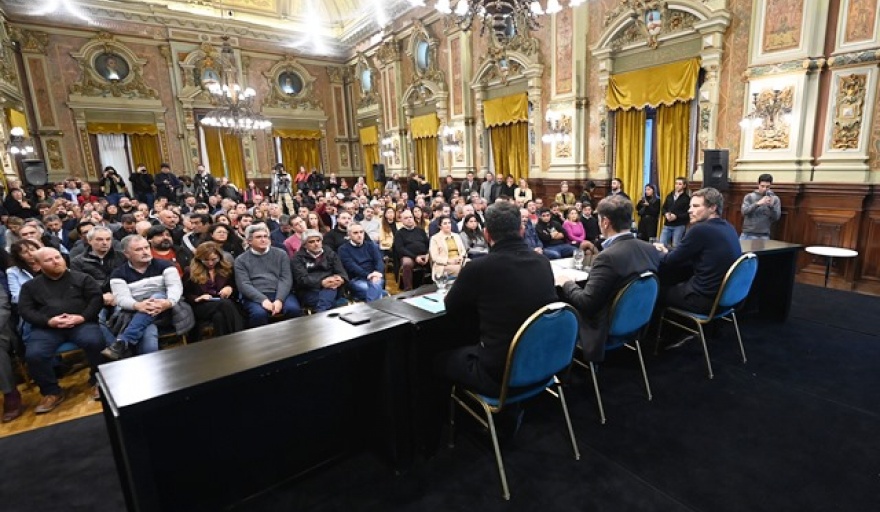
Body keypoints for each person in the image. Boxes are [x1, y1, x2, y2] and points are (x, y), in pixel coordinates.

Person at [436, 201, 557, 396]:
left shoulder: (478, 269)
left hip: (499, 372)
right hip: (543, 360)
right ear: (522, 229)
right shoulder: (542, 262)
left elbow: (450, 309)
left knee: (435, 358)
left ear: (486, 234)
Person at [555, 196, 660, 362]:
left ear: (605, 222)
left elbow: (586, 303)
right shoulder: (650, 249)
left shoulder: (607, 257)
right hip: (635, 321)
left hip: (602, 328)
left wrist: (566, 282)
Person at [18, 248, 105, 413]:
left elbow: (96, 299)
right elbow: (25, 310)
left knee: (96, 341)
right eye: (49, 260)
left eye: (57, 257)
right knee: (34, 355)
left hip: (81, 323)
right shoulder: (30, 286)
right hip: (48, 328)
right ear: (38, 265)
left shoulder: (82, 278)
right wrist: (49, 321)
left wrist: (82, 317)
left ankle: (99, 381)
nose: (56, 261)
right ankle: (51, 392)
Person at [654, 187, 741, 327]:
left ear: (713, 208)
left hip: (703, 300)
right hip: (726, 299)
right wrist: (669, 251)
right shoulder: (728, 227)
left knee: (655, 290)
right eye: (690, 206)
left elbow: (670, 260)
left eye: (695, 206)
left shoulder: (700, 230)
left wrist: (657, 251)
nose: (689, 210)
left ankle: (657, 342)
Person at [104, 235, 190, 359]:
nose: (145, 252)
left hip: (168, 310)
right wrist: (138, 305)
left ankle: (123, 341)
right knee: (148, 336)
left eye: (146, 248)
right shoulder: (118, 273)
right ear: (127, 254)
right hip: (136, 313)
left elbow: (175, 287)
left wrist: (168, 302)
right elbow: (121, 299)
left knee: (158, 295)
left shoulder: (166, 265)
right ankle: (150, 367)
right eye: (138, 249)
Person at [235, 224, 301, 327]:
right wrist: (263, 300)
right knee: (258, 314)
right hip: (255, 295)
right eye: (258, 237)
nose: (263, 239)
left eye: (265, 236)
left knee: (293, 309)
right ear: (249, 241)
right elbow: (244, 284)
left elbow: (286, 279)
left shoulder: (281, 254)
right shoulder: (241, 260)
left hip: (280, 292)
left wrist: (279, 299)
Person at [183, 242, 244, 339]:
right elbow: (186, 294)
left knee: (219, 317)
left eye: (214, 259)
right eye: (206, 260)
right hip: (202, 305)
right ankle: (240, 336)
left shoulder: (227, 268)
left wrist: (230, 288)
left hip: (224, 303)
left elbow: (236, 290)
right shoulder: (189, 271)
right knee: (225, 304)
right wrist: (198, 298)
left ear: (219, 257)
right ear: (199, 259)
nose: (210, 263)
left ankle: (224, 345)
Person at [291, 230, 348, 312]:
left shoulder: (330, 253)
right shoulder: (297, 258)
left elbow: (342, 272)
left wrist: (340, 279)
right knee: (337, 304)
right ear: (304, 245)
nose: (316, 244)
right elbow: (302, 279)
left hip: (333, 287)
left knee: (330, 290)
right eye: (311, 242)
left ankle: (320, 312)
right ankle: (322, 310)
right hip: (310, 291)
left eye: (318, 240)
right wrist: (322, 282)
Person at [338, 223, 385, 302]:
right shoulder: (343, 249)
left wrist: (377, 273)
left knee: (374, 288)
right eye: (355, 233)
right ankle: (380, 296)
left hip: (375, 277)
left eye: (361, 232)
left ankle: (370, 307)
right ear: (349, 235)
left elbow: (379, 261)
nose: (359, 235)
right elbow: (352, 267)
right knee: (375, 291)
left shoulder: (371, 245)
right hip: (356, 279)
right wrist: (368, 275)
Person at [393, 209, 430, 291]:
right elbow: (400, 249)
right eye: (406, 218)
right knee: (407, 263)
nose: (409, 219)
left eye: (410, 217)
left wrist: (428, 254)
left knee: (435, 258)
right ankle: (408, 289)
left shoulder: (420, 230)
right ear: (401, 220)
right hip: (409, 256)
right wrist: (415, 257)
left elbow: (429, 244)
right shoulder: (399, 233)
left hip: (424, 255)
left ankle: (433, 286)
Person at [740, 173, 781, 240]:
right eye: (762, 186)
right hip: (748, 234)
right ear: (758, 184)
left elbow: (776, 218)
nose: (765, 189)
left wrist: (771, 207)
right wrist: (757, 204)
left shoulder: (775, 199)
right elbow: (744, 212)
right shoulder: (749, 197)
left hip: (764, 235)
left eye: (767, 187)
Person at [659, 177, 690, 248]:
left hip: (679, 226)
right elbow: (663, 208)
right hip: (667, 225)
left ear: (684, 186)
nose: (677, 186)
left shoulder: (687, 198)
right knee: (661, 244)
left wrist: (676, 216)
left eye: (680, 184)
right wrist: (666, 214)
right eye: (676, 184)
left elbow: (687, 214)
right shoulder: (669, 196)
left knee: (676, 246)